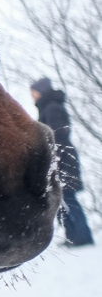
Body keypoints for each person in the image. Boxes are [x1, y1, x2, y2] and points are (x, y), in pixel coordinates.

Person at [33, 77, 93, 246]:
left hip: (62, 159)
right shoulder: (48, 108)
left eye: (34, 92)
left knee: (68, 199)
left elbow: (58, 134)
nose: (32, 96)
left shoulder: (52, 108)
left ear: (41, 91)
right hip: (58, 159)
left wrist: (47, 151)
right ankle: (74, 236)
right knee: (62, 200)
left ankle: (82, 237)